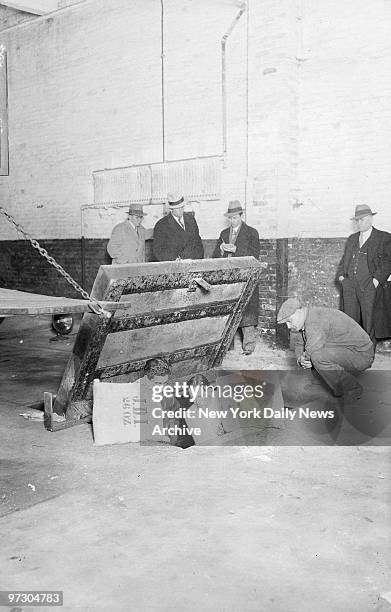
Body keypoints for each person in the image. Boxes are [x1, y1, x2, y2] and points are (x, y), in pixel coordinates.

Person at [277, 297, 374, 401]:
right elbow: (299, 343)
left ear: (299, 311)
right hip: (345, 349)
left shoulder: (315, 320)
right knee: (313, 353)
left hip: (361, 354)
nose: (288, 326)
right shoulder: (307, 317)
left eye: (290, 320)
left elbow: (312, 350)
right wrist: (300, 358)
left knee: (317, 356)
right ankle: (325, 383)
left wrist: (306, 359)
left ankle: (352, 388)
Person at [337, 204, 391, 344]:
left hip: (369, 287)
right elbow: (344, 260)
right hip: (350, 287)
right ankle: (353, 352)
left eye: (362, 220)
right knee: (350, 322)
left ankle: (367, 355)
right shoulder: (352, 238)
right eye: (357, 220)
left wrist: (376, 280)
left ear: (371, 219)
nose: (359, 223)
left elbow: (388, 261)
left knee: (369, 322)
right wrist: (342, 277)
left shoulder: (383, 237)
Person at [212, 200, 260, 355]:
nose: (233, 221)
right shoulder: (223, 234)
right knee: (230, 309)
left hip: (246, 277)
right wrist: (220, 250)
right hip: (230, 279)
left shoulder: (252, 233)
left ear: (241, 215)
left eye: (235, 218)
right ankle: (228, 345)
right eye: (230, 218)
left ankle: (249, 345)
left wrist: (236, 250)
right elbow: (215, 257)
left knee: (248, 310)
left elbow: (255, 255)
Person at [152, 192, 204, 261]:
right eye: (177, 208)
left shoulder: (191, 220)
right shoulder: (161, 225)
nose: (180, 210)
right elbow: (158, 250)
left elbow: (198, 243)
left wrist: (196, 259)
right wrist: (174, 260)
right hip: (174, 266)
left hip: (192, 264)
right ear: (171, 209)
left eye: (182, 207)